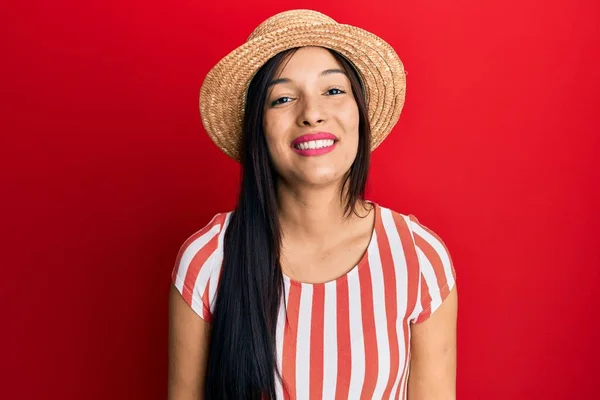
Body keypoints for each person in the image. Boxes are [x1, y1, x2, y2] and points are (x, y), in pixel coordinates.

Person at [168, 9, 458, 400]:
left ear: (360, 113)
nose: (312, 114)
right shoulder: (208, 260)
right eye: (283, 98)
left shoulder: (418, 259)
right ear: (258, 127)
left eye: (334, 91)